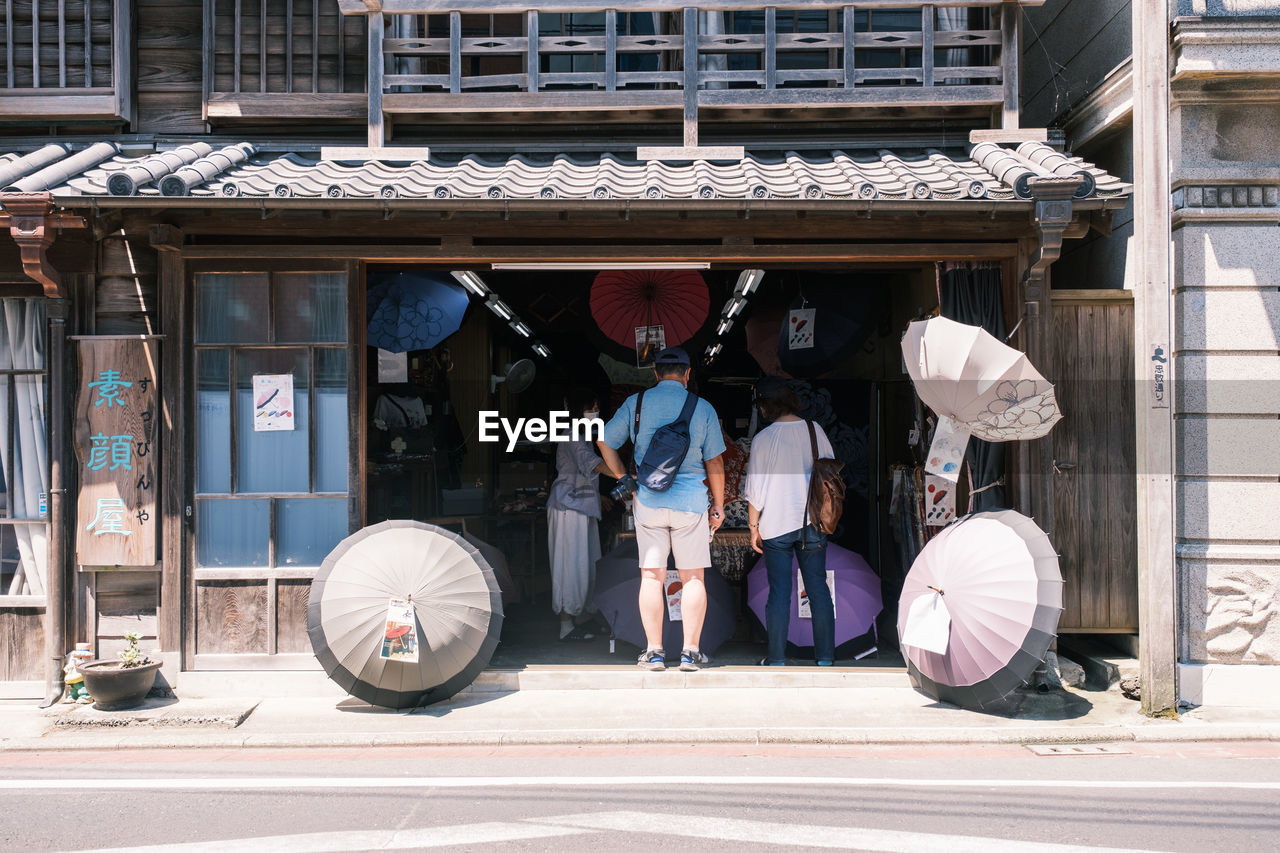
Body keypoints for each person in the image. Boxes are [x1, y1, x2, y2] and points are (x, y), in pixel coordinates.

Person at [598, 347, 726, 672]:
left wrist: (623, 477)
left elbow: (604, 442)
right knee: (693, 577)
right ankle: (690, 653)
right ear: (687, 373)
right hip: (690, 504)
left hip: (649, 501)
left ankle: (654, 653)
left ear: (655, 373)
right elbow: (715, 461)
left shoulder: (636, 404)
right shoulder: (704, 409)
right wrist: (719, 505)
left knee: (651, 578)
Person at [745, 377, 837, 667]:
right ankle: (825, 658)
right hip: (812, 522)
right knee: (818, 588)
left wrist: (752, 526)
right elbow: (830, 470)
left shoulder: (763, 439)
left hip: (775, 525)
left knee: (779, 591)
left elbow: (755, 490)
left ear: (766, 406)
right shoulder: (814, 430)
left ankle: (776, 658)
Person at [547, 388, 612, 640]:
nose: (595, 410)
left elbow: (583, 472)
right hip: (567, 509)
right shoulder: (572, 435)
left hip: (579, 506)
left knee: (586, 565)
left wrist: (600, 496)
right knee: (570, 566)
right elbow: (591, 464)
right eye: (591, 406)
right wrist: (623, 476)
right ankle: (566, 625)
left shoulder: (578, 434)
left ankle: (580, 617)